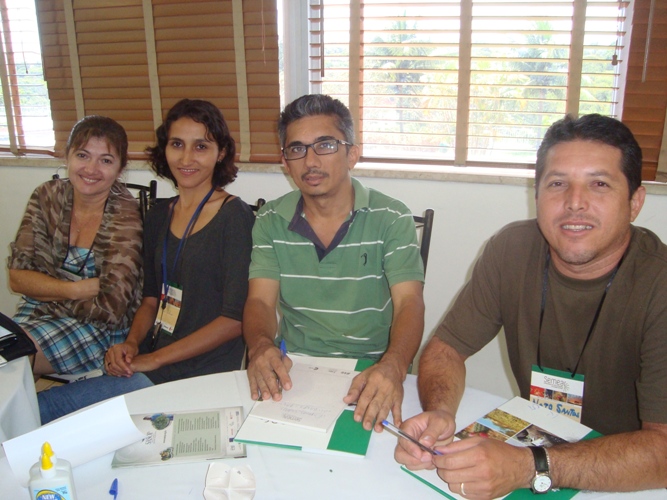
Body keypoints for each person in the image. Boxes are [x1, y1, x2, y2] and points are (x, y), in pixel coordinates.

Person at [395, 114, 667, 497]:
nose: (575, 202)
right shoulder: (512, 249)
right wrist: (440, 413)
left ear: (634, 202)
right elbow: (446, 349)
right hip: (536, 440)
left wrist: (531, 466)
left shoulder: (658, 284)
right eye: (557, 184)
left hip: (630, 477)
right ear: (536, 196)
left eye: (599, 184)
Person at [38, 99, 254, 423]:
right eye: (177, 144)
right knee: (42, 409)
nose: (186, 158)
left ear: (220, 152)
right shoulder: (159, 214)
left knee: (48, 411)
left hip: (197, 374)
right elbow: (152, 299)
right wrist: (131, 344)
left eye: (201, 146)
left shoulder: (234, 217)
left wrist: (154, 360)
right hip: (151, 362)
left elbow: (234, 320)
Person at [244, 94, 425, 432]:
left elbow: (409, 303)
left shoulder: (391, 217)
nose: (310, 161)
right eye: (297, 149)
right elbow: (260, 302)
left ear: (352, 154)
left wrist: (394, 366)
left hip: (373, 368)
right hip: (295, 368)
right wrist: (260, 347)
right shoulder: (270, 219)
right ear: (285, 162)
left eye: (325, 145)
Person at [8, 116, 143, 377]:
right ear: (67, 155)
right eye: (82, 155)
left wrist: (44, 289)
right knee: (9, 358)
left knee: (13, 357)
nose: (91, 169)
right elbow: (17, 278)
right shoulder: (46, 196)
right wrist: (74, 289)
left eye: (106, 160)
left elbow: (111, 308)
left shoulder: (126, 215)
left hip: (98, 328)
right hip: (39, 312)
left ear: (120, 168)